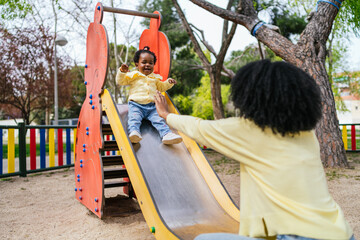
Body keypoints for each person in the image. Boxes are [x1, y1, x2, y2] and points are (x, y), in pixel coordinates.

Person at [154, 59, 355, 240]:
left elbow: (199, 128)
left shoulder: (249, 130)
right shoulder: (307, 134)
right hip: (340, 232)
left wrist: (166, 115)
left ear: (251, 98)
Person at [116, 46, 182, 144]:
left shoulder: (155, 78)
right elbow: (120, 81)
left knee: (159, 120)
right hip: (136, 105)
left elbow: (162, 87)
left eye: (150, 63)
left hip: (152, 107)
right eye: (144, 62)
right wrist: (121, 72)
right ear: (137, 64)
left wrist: (169, 82)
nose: (147, 65)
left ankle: (166, 134)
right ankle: (134, 132)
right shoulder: (134, 76)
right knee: (134, 118)